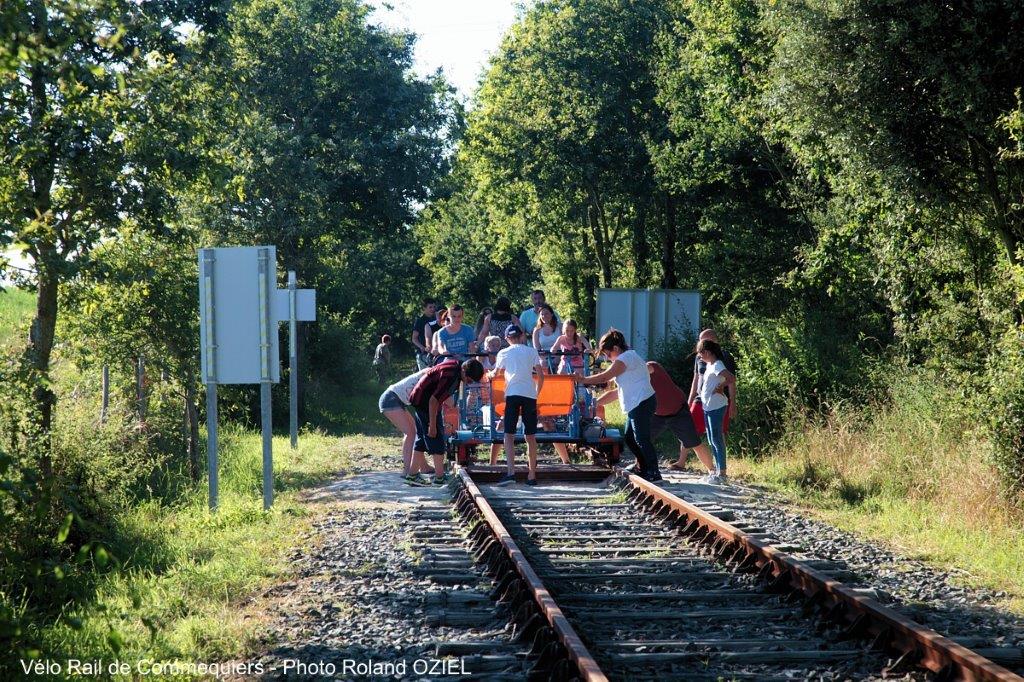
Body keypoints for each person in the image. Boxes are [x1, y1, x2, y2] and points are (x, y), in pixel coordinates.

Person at [576, 329, 661, 481]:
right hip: (638, 403)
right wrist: (597, 401)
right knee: (629, 438)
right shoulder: (628, 358)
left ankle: (654, 472)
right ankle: (643, 467)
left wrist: (583, 380)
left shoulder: (625, 358)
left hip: (642, 402)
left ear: (616, 348)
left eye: (608, 354)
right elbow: (617, 391)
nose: (607, 358)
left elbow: (604, 376)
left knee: (642, 439)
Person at [408, 357, 485, 484]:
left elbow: (439, 398)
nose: (469, 383)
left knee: (422, 439)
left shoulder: (457, 369)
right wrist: (432, 425)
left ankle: (412, 475)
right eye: (469, 380)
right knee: (436, 437)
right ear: (464, 372)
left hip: (423, 400)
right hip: (424, 402)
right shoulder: (450, 376)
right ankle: (439, 477)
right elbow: (433, 400)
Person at [490, 325, 544, 486]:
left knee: (509, 434)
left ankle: (511, 472)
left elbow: (497, 373)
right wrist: (537, 392)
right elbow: (540, 375)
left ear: (507, 339)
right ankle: (532, 475)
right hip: (529, 395)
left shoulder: (504, 353)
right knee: (530, 436)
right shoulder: (531, 351)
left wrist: (489, 375)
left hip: (513, 393)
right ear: (521, 337)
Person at [646, 361, 715, 476]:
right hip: (657, 413)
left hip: (677, 410)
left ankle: (713, 471)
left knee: (694, 442)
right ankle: (640, 466)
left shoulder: (652, 366)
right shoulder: (633, 381)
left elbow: (644, 369)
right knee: (643, 439)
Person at [379, 367, 432, 485]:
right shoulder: (428, 373)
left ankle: (423, 466)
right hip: (390, 400)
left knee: (416, 432)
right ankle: (407, 470)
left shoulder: (431, 374)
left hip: (396, 400)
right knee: (410, 433)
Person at [695, 338, 736, 484]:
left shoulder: (718, 364)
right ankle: (718, 472)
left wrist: (721, 386)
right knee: (712, 439)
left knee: (717, 439)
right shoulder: (710, 365)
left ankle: (722, 474)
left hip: (716, 407)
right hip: (708, 407)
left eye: (700, 353)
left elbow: (731, 378)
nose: (699, 356)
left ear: (707, 352)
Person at [688, 328, 738, 435]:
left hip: (718, 400)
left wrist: (733, 403)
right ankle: (689, 452)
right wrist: (690, 401)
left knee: (718, 434)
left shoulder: (724, 357)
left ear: (712, 341)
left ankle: (718, 452)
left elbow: (731, 381)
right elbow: (695, 379)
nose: (699, 344)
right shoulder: (699, 357)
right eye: (699, 340)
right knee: (689, 430)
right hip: (700, 399)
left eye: (702, 341)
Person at [532, 304, 561, 370]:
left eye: (546, 313)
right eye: (542, 314)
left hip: (560, 356)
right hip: (544, 358)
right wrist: (544, 359)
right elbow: (537, 349)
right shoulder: (537, 330)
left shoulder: (560, 327)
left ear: (552, 314)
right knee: (543, 364)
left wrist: (558, 357)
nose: (544, 316)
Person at [412, 298, 437, 370]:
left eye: (434, 307)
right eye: (430, 307)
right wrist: (422, 347)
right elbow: (414, 338)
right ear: (424, 308)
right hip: (423, 354)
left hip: (435, 353)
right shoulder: (420, 321)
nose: (433, 309)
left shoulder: (437, 319)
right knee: (425, 378)